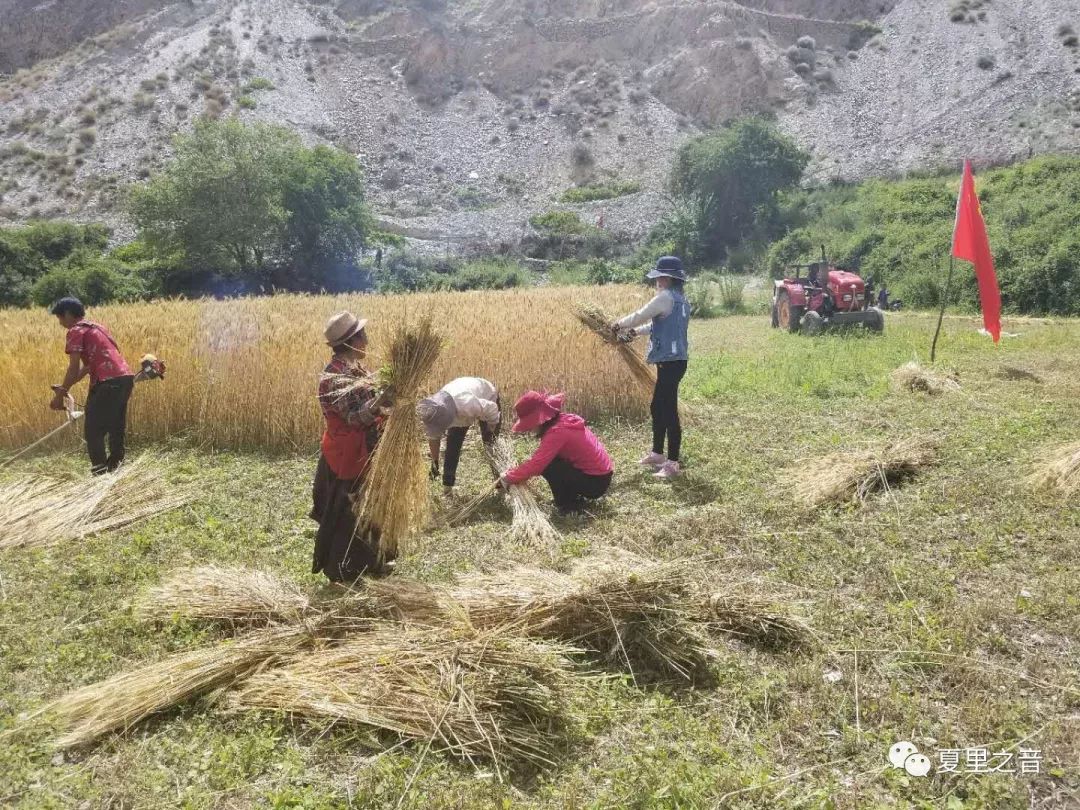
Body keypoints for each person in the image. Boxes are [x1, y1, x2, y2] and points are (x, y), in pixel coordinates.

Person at [310, 311, 393, 583]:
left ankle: (372, 561)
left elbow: (372, 407)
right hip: (347, 454)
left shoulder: (356, 370)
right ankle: (340, 567)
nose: (367, 341)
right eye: (363, 336)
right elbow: (354, 418)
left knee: (371, 506)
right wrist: (381, 401)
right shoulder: (334, 377)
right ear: (351, 342)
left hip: (365, 450)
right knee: (348, 511)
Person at [612, 256, 690, 480]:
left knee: (668, 410)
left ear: (667, 278)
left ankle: (672, 462)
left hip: (671, 362)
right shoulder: (681, 299)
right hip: (674, 360)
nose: (657, 281)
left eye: (659, 277)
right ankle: (657, 453)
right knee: (657, 406)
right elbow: (657, 324)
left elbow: (641, 315)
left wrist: (618, 324)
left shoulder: (664, 297)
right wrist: (636, 332)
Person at [49, 297, 134, 475]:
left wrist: (59, 396)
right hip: (125, 378)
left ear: (67, 314)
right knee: (115, 425)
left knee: (93, 430)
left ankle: (100, 474)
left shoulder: (76, 330)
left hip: (107, 382)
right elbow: (87, 367)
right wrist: (66, 388)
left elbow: (73, 368)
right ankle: (116, 468)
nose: (60, 323)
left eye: (60, 318)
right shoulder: (98, 328)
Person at [500, 390, 613, 515]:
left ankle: (568, 506)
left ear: (538, 419)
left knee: (549, 466)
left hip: (595, 483)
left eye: (530, 425)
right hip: (602, 476)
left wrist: (509, 477)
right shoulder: (564, 420)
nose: (529, 429)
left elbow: (537, 465)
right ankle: (572, 497)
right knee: (552, 460)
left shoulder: (557, 432)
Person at [416, 377, 501, 494]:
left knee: (490, 446)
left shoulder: (467, 404)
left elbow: (492, 409)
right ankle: (447, 488)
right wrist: (434, 462)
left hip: (486, 398)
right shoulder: (435, 410)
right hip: (459, 402)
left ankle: (500, 482)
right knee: (453, 445)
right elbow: (434, 437)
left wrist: (491, 429)